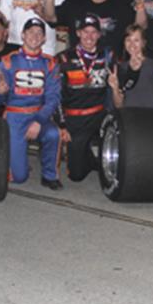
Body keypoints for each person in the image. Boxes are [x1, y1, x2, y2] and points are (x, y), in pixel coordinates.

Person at [0, 17, 63, 190]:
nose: (35, 36)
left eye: (39, 33)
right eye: (31, 32)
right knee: (19, 177)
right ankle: (10, 161)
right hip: (15, 117)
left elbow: (53, 98)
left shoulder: (50, 63)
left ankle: (49, 175)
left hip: (40, 114)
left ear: (45, 39)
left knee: (54, 134)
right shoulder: (8, 61)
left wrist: (38, 120)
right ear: (22, 35)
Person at [56, 13, 116, 182]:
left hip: (99, 115)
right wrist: (62, 125)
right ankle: (88, 157)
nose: (89, 36)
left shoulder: (107, 56)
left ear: (99, 35)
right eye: (85, 31)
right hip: (74, 119)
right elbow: (55, 96)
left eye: (93, 32)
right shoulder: (63, 59)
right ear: (78, 33)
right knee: (76, 175)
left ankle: (98, 153)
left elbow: (121, 82)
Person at [43, 0, 146, 57]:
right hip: (77, 65)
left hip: (110, 67)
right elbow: (50, 18)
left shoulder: (121, 7)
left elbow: (140, 27)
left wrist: (140, 5)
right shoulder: (74, 4)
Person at [110, 24, 153, 110]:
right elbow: (118, 105)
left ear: (143, 43)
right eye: (128, 40)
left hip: (147, 118)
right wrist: (115, 88)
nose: (132, 44)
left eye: (136, 40)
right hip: (128, 117)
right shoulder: (121, 68)